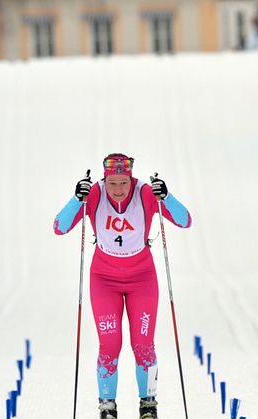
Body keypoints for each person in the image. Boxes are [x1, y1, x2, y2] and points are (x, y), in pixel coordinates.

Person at [53, 154, 192, 419]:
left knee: (143, 344)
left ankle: (148, 404)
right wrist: (77, 198)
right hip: (104, 280)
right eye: (112, 183)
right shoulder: (94, 193)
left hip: (142, 279)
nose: (117, 190)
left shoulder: (146, 193)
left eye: (123, 183)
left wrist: (166, 196)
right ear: (104, 180)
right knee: (110, 344)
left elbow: (185, 220)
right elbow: (59, 227)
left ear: (131, 179)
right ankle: (107, 406)